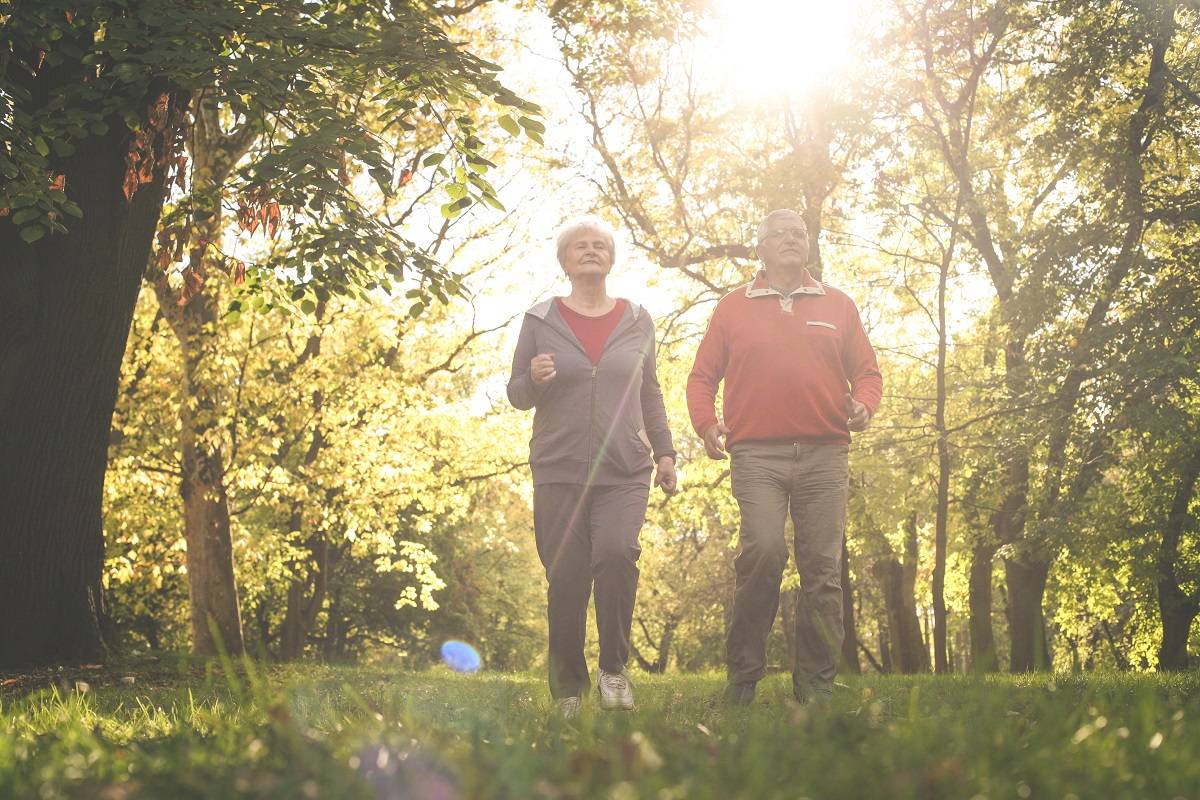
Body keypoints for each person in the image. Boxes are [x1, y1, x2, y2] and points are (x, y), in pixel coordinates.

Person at [686, 209, 882, 706]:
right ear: (760, 248)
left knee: (822, 569)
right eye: (780, 234)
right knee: (764, 554)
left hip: (825, 453)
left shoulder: (838, 305)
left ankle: (815, 686)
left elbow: (868, 373)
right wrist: (707, 426)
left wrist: (864, 404)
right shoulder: (732, 308)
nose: (792, 240)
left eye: (800, 234)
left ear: (809, 245)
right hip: (757, 455)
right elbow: (701, 377)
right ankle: (744, 677)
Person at [507, 218, 677, 718]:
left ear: (611, 258)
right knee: (566, 576)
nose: (590, 251)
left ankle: (613, 670)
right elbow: (517, 392)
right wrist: (534, 380)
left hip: (625, 465)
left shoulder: (637, 318)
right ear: (565, 261)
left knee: (617, 553)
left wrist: (665, 452)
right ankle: (566, 690)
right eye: (580, 246)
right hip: (558, 465)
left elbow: (650, 390)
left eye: (599, 246)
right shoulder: (540, 319)